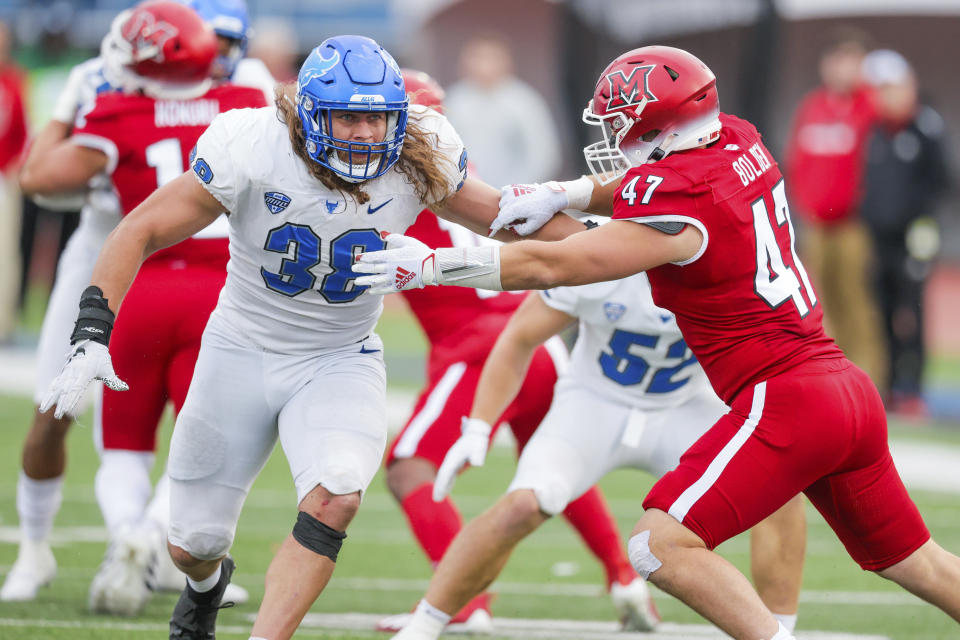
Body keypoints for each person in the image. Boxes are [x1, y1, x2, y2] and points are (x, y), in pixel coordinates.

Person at [355, 45, 960, 640]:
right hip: (843, 390)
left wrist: (433, 267)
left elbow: (557, 265)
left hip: (787, 396)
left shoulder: (680, 206)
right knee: (916, 562)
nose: (616, 132)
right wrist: (566, 194)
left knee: (657, 546)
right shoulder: (736, 138)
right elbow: (643, 191)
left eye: (621, 120)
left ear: (657, 121)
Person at [40, 34, 584, 640]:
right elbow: (140, 227)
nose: (364, 133)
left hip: (339, 355)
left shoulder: (421, 149)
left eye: (377, 118)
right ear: (307, 115)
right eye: (347, 117)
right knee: (193, 544)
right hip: (238, 347)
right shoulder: (253, 142)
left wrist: (619, 240)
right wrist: (92, 329)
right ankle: (203, 587)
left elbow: (505, 218)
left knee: (338, 494)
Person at [1, 0, 271, 608]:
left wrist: (69, 111)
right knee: (62, 406)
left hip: (145, 269)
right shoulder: (244, 102)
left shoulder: (131, 99)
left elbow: (37, 175)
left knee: (135, 430)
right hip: (126, 257)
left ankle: (150, 545)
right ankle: (39, 548)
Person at [377, 69, 659, 634]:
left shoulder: (391, 182)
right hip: (532, 341)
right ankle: (622, 578)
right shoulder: (465, 175)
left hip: (480, 348)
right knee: (553, 472)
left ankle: (462, 601)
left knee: (410, 469)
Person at [387, 261, 808, 635]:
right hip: (594, 405)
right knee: (523, 505)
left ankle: (779, 631)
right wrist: (479, 426)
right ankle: (426, 623)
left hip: (686, 407)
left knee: (780, 494)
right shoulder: (599, 255)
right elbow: (520, 336)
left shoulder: (732, 264)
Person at [785, 29, 886, 389]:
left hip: (852, 224)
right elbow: (797, 161)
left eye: (851, 63)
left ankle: (869, 381)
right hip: (816, 222)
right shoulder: (812, 106)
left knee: (856, 300)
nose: (841, 70)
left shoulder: (870, 106)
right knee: (819, 302)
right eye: (837, 61)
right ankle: (833, 378)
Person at [859, 49, 950, 418]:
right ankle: (890, 383)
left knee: (910, 309)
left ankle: (914, 388)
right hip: (880, 236)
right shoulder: (875, 132)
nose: (886, 97)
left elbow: (943, 182)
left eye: (892, 87)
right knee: (880, 307)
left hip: (916, 234)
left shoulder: (926, 127)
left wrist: (919, 225)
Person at [444, 33, 561, 188]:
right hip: (461, 193)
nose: (484, 65)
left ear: (507, 62)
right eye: (478, 58)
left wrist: (516, 190)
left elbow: (544, 154)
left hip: (513, 196)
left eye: (492, 58)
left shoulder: (523, 101)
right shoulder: (454, 100)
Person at [0, 19, 28, 342]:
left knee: (6, 253)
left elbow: (22, 131)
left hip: (3, 176)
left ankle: (4, 321)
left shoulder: (13, 81)